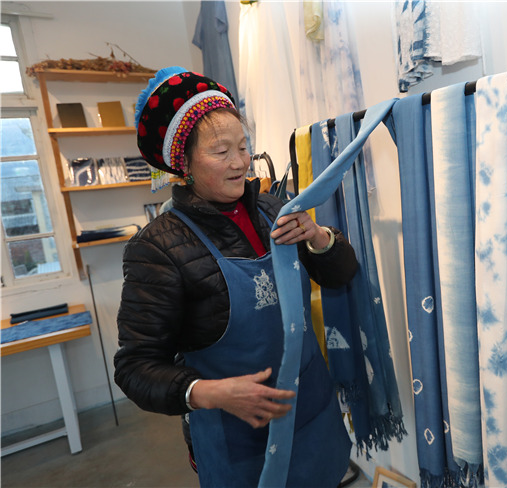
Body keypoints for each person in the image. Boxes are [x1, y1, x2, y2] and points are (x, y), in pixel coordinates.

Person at [114, 67, 356, 487]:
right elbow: (135, 368)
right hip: (239, 438)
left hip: (311, 411)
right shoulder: (158, 248)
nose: (240, 162)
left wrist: (318, 237)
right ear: (184, 164)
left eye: (243, 147)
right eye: (221, 151)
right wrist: (211, 392)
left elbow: (340, 276)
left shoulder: (272, 209)